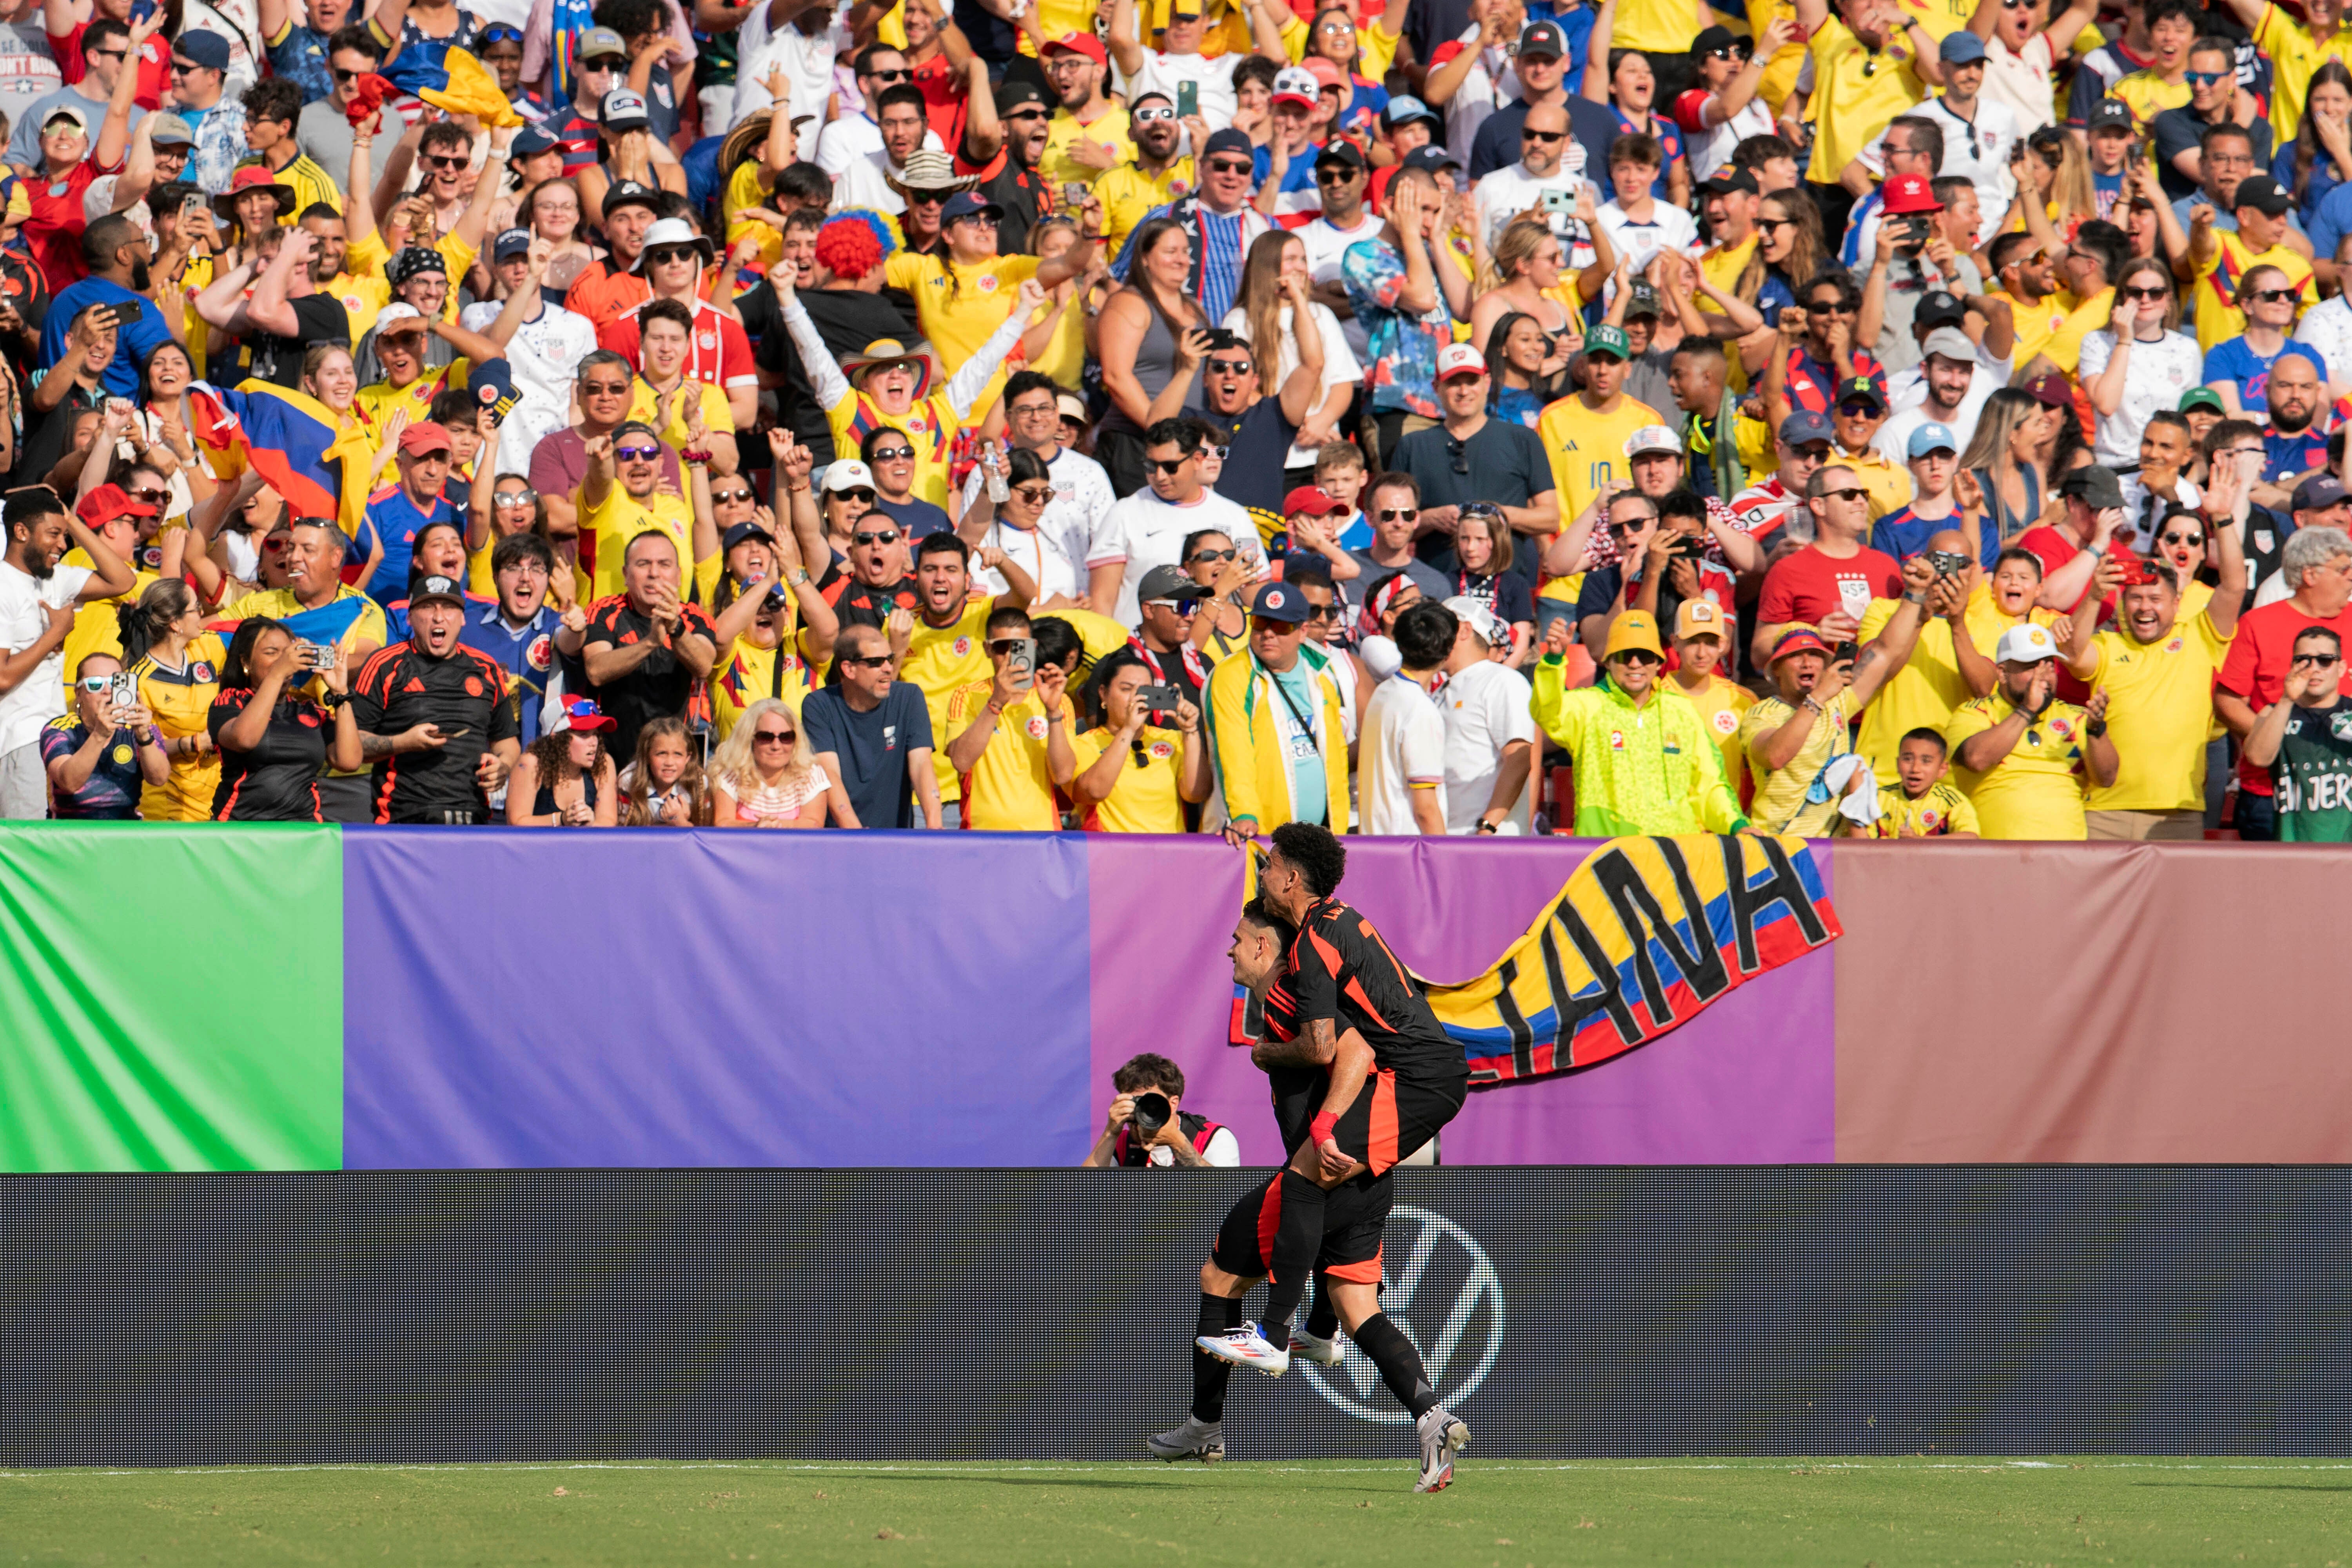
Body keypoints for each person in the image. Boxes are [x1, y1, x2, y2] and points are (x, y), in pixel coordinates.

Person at [1194, 821, 1474, 1498]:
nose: (1264, 878)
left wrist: (1300, 1097)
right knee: (1355, 1296)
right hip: (1421, 1079)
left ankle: (1276, 1337)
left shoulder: (1310, 949)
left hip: (1417, 1080)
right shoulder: (1330, 920)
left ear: (1291, 880)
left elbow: (1336, 1049)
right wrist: (1252, 837)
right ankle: (1427, 1417)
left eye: (1271, 869)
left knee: (1303, 1174)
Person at [2059, 514, 2246, 840]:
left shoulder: (2200, 638)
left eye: (2155, 599)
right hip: (2104, 813)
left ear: (2176, 604)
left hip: (2179, 813)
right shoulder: (2107, 644)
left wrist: (2223, 519)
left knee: (2179, 895)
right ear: (2122, 604)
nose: (2145, 608)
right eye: (2136, 598)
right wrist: (2093, 596)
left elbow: (2233, 586)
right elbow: (2073, 655)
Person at [1744, 564, 1938, 837]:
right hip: (1779, 846)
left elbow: (1884, 653)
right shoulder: (1760, 713)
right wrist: (1818, 698)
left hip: (1830, 850)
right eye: (1796, 656)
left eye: (1815, 656)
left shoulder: (1837, 702)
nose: (1807, 662)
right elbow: (1776, 756)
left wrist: (1915, 594)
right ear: (1776, 668)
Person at [1530, 609, 1751, 835]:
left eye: (1645, 656)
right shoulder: (1587, 707)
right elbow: (1548, 714)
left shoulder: (1682, 711)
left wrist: (1737, 825)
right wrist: (1554, 662)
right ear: (1608, 662)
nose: (1636, 664)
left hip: (1672, 853)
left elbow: (1710, 783)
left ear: (1658, 663)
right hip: (1605, 853)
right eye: (1626, 656)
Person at [0, 485, 135, 818]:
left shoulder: (57, 578)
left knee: (54, 843)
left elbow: (123, 581)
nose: (63, 544)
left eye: (65, 535)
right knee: (27, 848)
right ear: (21, 532)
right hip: (20, 738)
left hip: (58, 736)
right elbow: (2, 677)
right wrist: (56, 633)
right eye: (54, 534)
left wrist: (72, 521)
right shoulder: (3, 586)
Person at [346, 572, 520, 824]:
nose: (439, 617)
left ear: (462, 618)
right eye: (427, 607)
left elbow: (506, 741)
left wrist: (503, 765)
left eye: (449, 608)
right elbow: (350, 746)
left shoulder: (486, 668)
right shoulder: (384, 665)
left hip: (474, 819)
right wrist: (402, 743)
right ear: (410, 617)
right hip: (403, 819)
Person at [2214, 525, 2352, 838]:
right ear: (2310, 575)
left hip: (2345, 794)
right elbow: (2226, 701)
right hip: (2272, 789)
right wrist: (2281, 738)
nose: (2351, 577)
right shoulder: (2259, 624)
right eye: (2343, 569)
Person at [1945, 621, 2120, 839]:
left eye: (2049, 665)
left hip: (2065, 858)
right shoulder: (1975, 712)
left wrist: (2096, 731)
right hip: (1996, 856)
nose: (2043, 675)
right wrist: (2027, 710)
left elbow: (2107, 778)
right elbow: (1976, 759)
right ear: (2002, 673)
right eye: (2031, 666)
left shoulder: (2077, 717)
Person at [1204, 581, 1348, 839]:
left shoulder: (1324, 674)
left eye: (1281, 626)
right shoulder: (1232, 675)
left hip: (1321, 838)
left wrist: (1340, 827)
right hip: (1259, 837)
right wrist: (1245, 814)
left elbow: (1337, 754)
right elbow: (1234, 751)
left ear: (1303, 631)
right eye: (1260, 623)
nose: (1268, 634)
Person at [1094, 417, 1263, 628]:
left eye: (1170, 467)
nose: (1160, 476)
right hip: (1138, 650)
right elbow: (1102, 601)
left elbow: (1254, 593)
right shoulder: (1123, 513)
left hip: (1213, 653)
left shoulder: (1234, 516)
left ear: (1198, 460)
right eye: (1150, 466)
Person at [207, 616, 364, 820]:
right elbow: (244, 739)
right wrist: (277, 674)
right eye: (272, 653)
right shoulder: (231, 702)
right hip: (241, 830)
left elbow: (349, 761)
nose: (285, 661)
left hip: (303, 831)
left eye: (288, 654)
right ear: (246, 662)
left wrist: (341, 693)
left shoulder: (311, 712)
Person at [581, 531, 718, 762]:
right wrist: (651, 643)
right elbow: (595, 671)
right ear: (626, 574)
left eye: (664, 565)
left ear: (678, 576)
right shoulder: (603, 611)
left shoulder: (695, 618)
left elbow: (704, 666)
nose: (654, 574)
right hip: (613, 758)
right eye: (643, 564)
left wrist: (676, 628)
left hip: (674, 761)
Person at [942, 606, 1078, 832]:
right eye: (1001, 647)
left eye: (1018, 647)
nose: (1009, 656)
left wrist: (1053, 713)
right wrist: (996, 702)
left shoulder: (1057, 700)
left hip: (1041, 834)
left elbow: (1063, 774)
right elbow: (961, 762)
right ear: (987, 649)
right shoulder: (966, 695)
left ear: (1033, 647)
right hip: (981, 833)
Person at [802, 621, 941, 830]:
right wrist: (857, 836)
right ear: (849, 669)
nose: (888, 668)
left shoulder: (909, 697)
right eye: (876, 662)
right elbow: (829, 774)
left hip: (896, 837)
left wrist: (934, 825)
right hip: (841, 837)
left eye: (890, 659)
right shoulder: (819, 705)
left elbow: (922, 765)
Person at [1064, 647, 1210, 833]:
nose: (1137, 698)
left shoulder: (1173, 739)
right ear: (1103, 694)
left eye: (1144, 690)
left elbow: (1196, 794)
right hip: (1109, 854)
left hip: (1169, 855)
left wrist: (1191, 731)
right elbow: (1093, 792)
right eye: (1126, 689)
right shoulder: (1084, 744)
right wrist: (1128, 730)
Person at [2242, 624, 2352, 839]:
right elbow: (2257, 757)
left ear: (2341, 668)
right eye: (2304, 661)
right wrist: (2286, 700)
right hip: (2293, 848)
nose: (2314, 668)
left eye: (2325, 660)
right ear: (2292, 666)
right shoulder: (2274, 712)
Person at [1355, 598, 1454, 835]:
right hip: (1408, 852)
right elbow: (1425, 809)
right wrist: (1445, 861)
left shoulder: (1384, 692)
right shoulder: (1420, 709)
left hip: (1378, 843)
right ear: (1447, 652)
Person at [41, 650, 168, 817]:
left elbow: (159, 779)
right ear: (78, 694)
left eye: (115, 683)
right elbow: (69, 783)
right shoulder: (61, 729)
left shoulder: (137, 728)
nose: (107, 691)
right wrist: (100, 735)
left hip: (124, 830)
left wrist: (144, 736)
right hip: (72, 832)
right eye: (96, 684)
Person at [1081, 1052, 1238, 1169]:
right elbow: (1084, 1194)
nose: (1145, 1110)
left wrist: (1176, 1142)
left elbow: (1224, 1195)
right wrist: (1110, 1133)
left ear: (1173, 1103)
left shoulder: (1212, 1137)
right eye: (1137, 1103)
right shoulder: (1121, 1142)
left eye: (1151, 1102)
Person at [706, 694, 829, 828]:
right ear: (749, 739)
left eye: (786, 737)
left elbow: (814, 824)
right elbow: (723, 823)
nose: (776, 746)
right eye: (766, 737)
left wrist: (771, 827)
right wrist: (755, 827)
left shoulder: (811, 774)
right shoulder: (729, 774)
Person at [505, 696, 619, 827]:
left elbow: (609, 821)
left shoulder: (604, 763)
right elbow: (516, 822)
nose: (594, 743)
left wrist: (590, 824)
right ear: (557, 738)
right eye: (584, 735)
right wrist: (561, 820)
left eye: (596, 734)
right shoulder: (531, 763)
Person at [1861, 726, 1982, 837]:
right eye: (1908, 759)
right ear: (1898, 765)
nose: (1915, 769)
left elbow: (1970, 837)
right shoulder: (1879, 798)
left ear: (1942, 769)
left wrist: (1920, 843)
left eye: (1926, 761)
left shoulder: (1951, 802)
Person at [617, 714, 706, 827]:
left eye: (678, 754)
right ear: (647, 756)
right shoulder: (629, 781)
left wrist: (681, 823)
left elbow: (705, 837)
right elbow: (622, 832)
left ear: (688, 758)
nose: (669, 763)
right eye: (662, 754)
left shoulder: (698, 783)